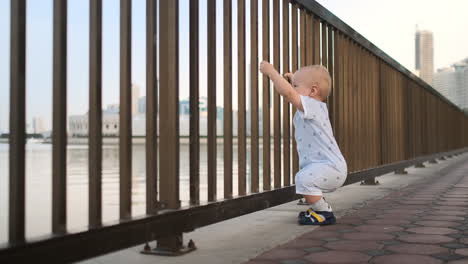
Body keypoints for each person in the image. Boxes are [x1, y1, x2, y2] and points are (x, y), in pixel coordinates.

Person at [259, 61, 347, 225]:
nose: (293, 89)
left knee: (303, 179)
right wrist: (294, 80)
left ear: (313, 91)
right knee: (305, 179)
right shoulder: (313, 106)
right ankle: (319, 209)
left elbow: (289, 95)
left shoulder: (313, 105)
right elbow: (295, 93)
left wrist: (271, 72)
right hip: (327, 166)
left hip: (330, 167)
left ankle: (324, 212)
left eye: (296, 86)